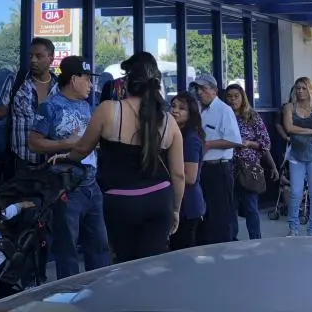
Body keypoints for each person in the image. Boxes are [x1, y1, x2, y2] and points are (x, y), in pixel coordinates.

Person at [67, 52, 184, 263]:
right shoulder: (168, 121)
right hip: (159, 200)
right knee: (151, 266)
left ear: (127, 81)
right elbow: (178, 174)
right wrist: (175, 209)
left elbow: (82, 149)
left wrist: (64, 157)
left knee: (125, 264)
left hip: (120, 201)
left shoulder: (108, 110)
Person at [29, 56, 110, 278]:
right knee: (67, 247)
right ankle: (69, 296)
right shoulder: (50, 107)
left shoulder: (86, 106)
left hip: (92, 184)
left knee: (99, 245)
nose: (91, 85)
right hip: (67, 187)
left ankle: (99, 291)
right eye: (87, 79)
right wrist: (66, 144)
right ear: (74, 79)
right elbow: (33, 143)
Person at [0, 38, 57, 176]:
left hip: (51, 162)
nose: (33, 60)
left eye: (39, 56)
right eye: (30, 56)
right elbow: (0, 113)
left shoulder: (59, 88)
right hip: (21, 162)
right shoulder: (16, 81)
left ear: (51, 59)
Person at [191, 74, 242, 245]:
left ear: (214, 90)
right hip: (201, 168)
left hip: (218, 168)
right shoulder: (197, 109)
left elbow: (235, 140)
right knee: (204, 214)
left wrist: (208, 144)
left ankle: (223, 249)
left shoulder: (224, 110)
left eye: (203, 89)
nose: (200, 92)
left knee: (220, 214)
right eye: (197, 89)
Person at [224, 84, 277, 240]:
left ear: (242, 97)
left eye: (236, 96)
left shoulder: (251, 116)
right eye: (229, 96)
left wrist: (249, 144)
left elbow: (265, 143)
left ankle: (256, 239)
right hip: (228, 167)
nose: (233, 100)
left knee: (250, 207)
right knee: (230, 207)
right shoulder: (224, 116)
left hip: (248, 168)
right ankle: (232, 240)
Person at [283, 77, 312, 236]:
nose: (300, 91)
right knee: (295, 192)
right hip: (297, 154)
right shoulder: (290, 107)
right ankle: (293, 227)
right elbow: (289, 128)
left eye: (303, 88)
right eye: (297, 88)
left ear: (310, 89)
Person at [167, 91, 204, 251]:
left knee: (183, 253)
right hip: (177, 203)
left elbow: (189, 177)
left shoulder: (190, 138)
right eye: (173, 106)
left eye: (182, 108)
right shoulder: (174, 133)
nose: (175, 110)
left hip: (187, 206)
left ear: (191, 114)